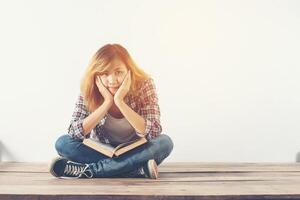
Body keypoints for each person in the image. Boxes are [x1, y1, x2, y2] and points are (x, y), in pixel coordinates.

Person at [50, 44, 174, 179]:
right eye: (104, 73)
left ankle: (90, 170)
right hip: (102, 151)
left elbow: (153, 131)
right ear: (96, 74)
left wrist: (120, 101)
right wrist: (107, 103)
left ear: (129, 70)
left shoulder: (144, 84)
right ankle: (135, 169)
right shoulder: (90, 87)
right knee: (63, 143)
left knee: (164, 142)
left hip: (136, 150)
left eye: (119, 72)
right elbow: (75, 133)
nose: (112, 80)